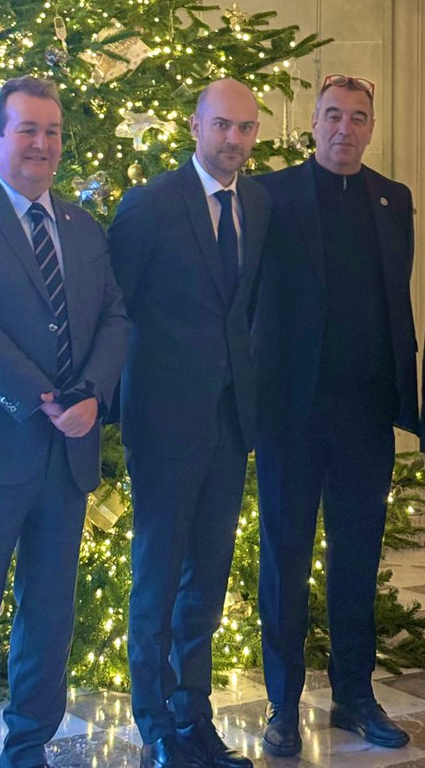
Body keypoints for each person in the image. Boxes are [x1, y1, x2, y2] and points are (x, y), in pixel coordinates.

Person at [0, 75, 129, 768]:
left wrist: (92, 393)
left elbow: (115, 316)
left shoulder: (82, 226)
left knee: (49, 613)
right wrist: (44, 397)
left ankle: (29, 747)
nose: (43, 143)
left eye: (53, 131)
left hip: (66, 452)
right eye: (28, 129)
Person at [253, 74, 420, 757]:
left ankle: (355, 696)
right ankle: (282, 705)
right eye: (332, 115)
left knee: (356, 559)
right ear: (312, 124)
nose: (344, 128)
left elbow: (393, 299)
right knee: (284, 560)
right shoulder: (270, 195)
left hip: (364, 412)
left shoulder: (392, 199)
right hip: (289, 413)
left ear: (370, 127)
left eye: (357, 117)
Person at [108, 78, 270, 768]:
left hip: (230, 422)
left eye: (245, 128)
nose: (233, 139)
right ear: (195, 126)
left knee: (206, 580)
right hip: (163, 423)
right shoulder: (149, 205)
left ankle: (193, 715)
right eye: (222, 125)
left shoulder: (256, 204)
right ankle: (155, 725)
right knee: (158, 577)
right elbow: (114, 309)